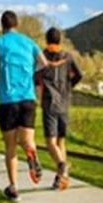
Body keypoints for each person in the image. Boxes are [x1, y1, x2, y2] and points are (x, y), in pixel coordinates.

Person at [0, 10, 48, 200]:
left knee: (10, 147)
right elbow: (44, 63)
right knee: (27, 140)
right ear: (17, 24)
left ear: (2, 25)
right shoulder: (29, 42)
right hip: (28, 99)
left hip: (8, 101)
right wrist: (30, 72)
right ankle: (32, 152)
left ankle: (13, 188)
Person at [36, 27, 83, 190]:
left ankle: (62, 165)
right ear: (59, 40)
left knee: (50, 142)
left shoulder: (42, 56)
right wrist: (69, 85)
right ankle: (62, 179)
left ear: (47, 40)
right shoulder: (68, 57)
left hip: (49, 102)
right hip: (64, 102)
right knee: (60, 141)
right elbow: (79, 75)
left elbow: (35, 77)